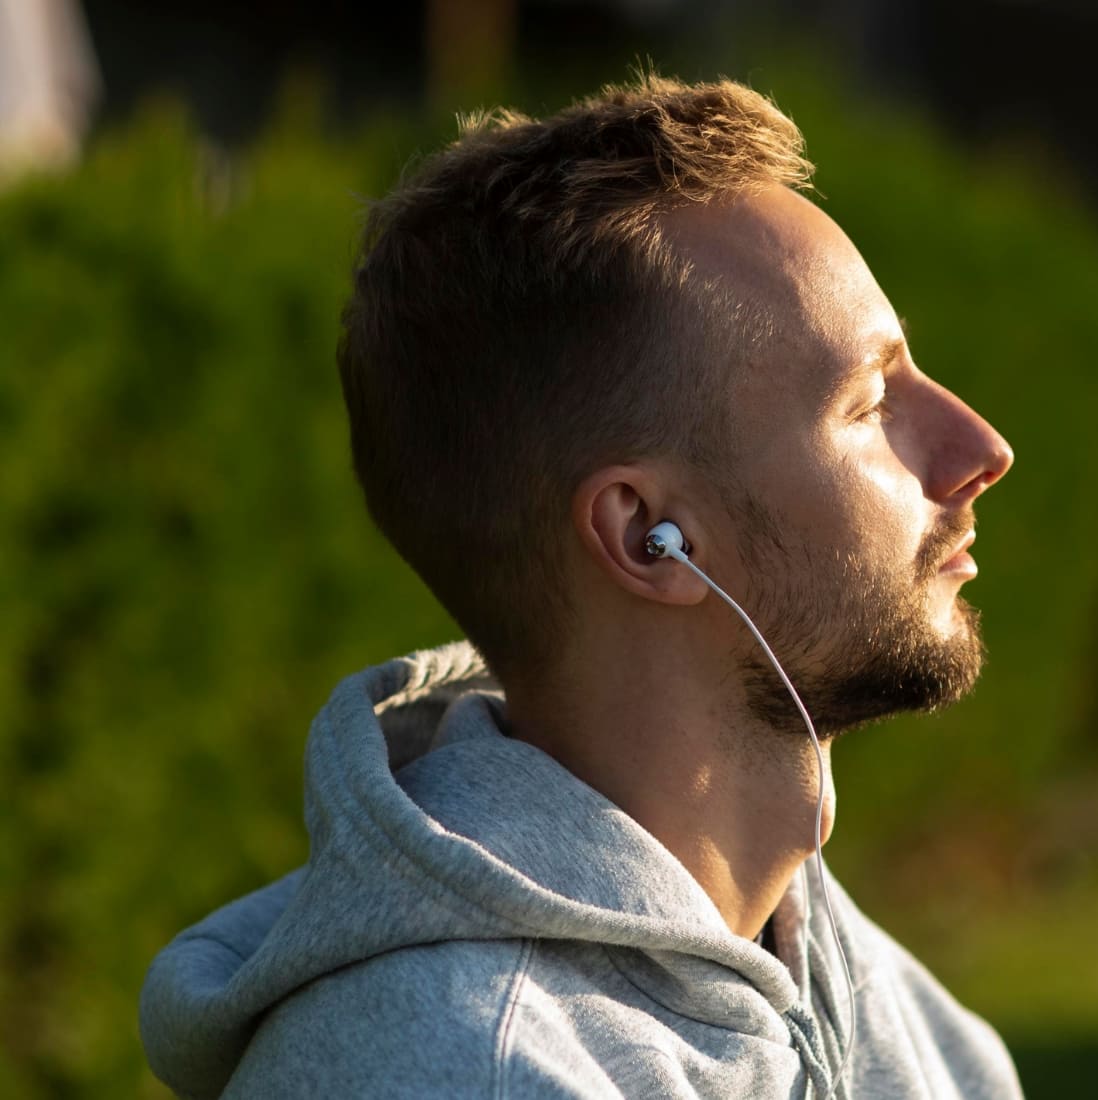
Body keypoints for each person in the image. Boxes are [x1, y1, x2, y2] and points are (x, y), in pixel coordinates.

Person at [138, 73, 1020, 1099]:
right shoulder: (466, 1067)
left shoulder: (886, 1007)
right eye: (868, 402)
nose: (980, 446)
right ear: (649, 537)